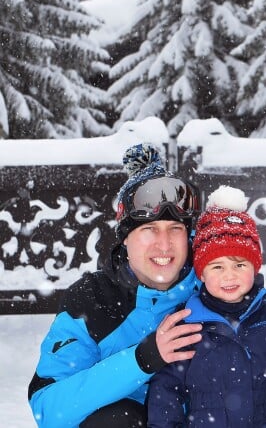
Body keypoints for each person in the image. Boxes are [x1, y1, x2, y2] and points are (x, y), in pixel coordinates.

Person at [28, 143, 204, 427]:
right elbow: (49, 408)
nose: (164, 244)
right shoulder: (93, 299)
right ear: (125, 238)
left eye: (175, 229)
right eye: (149, 230)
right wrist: (141, 360)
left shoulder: (215, 288)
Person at [147, 185, 266, 427]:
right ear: (202, 274)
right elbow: (166, 390)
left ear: (255, 267)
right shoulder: (186, 324)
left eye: (239, 265)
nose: (230, 276)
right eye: (217, 267)